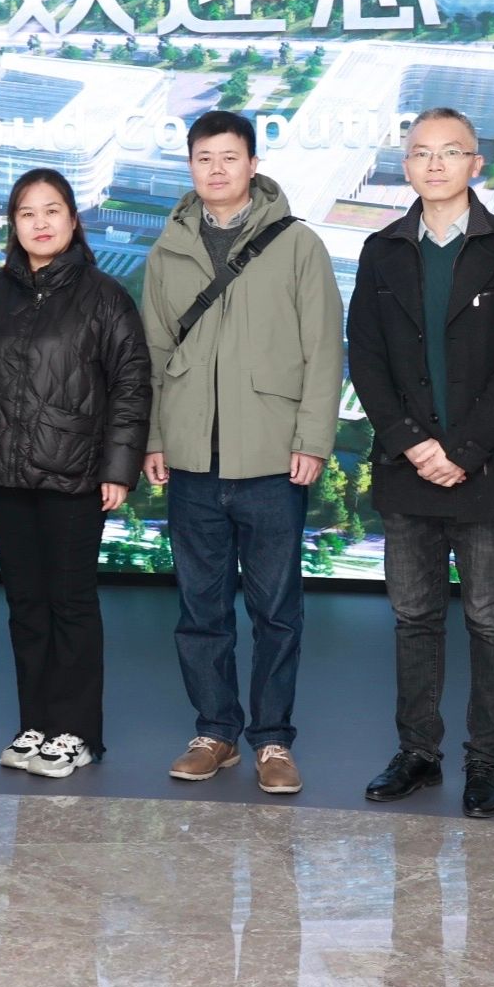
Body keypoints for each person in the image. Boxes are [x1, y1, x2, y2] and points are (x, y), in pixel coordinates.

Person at [346, 109, 494, 819]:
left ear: (475, 164)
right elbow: (366, 358)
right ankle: (418, 753)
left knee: (491, 622)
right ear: (406, 165)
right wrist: (413, 443)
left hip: (487, 472)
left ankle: (486, 761)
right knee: (414, 619)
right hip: (408, 470)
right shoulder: (381, 250)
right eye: (421, 153)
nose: (434, 164)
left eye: (450, 152)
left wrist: (462, 452)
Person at [140, 110, 343, 796]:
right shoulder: (167, 250)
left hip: (271, 459)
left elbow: (324, 349)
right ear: (190, 167)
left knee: (276, 610)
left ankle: (273, 740)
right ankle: (215, 733)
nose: (217, 169)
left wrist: (312, 439)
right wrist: (156, 437)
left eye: (230, 157)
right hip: (192, 460)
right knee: (201, 610)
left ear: (254, 165)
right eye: (205, 158)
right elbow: (153, 354)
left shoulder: (298, 244)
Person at [0, 167, 149, 779]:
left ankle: (77, 733)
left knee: (70, 603)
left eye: (52, 210)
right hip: (3, 475)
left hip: (75, 475)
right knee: (25, 604)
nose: (40, 223)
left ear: (73, 221)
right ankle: (36, 724)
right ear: (14, 224)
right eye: (27, 213)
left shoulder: (105, 297)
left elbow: (131, 386)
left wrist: (118, 469)